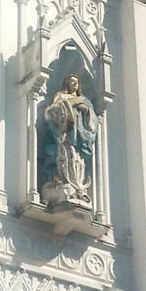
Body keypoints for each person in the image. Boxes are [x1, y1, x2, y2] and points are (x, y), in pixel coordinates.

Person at [42, 74, 96, 206]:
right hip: (65, 135)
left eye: (77, 82)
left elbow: (92, 121)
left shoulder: (83, 100)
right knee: (66, 156)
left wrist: (85, 110)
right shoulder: (61, 96)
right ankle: (64, 182)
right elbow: (50, 112)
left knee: (78, 160)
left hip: (79, 137)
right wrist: (69, 104)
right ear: (67, 83)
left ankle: (78, 187)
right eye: (72, 81)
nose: (75, 84)